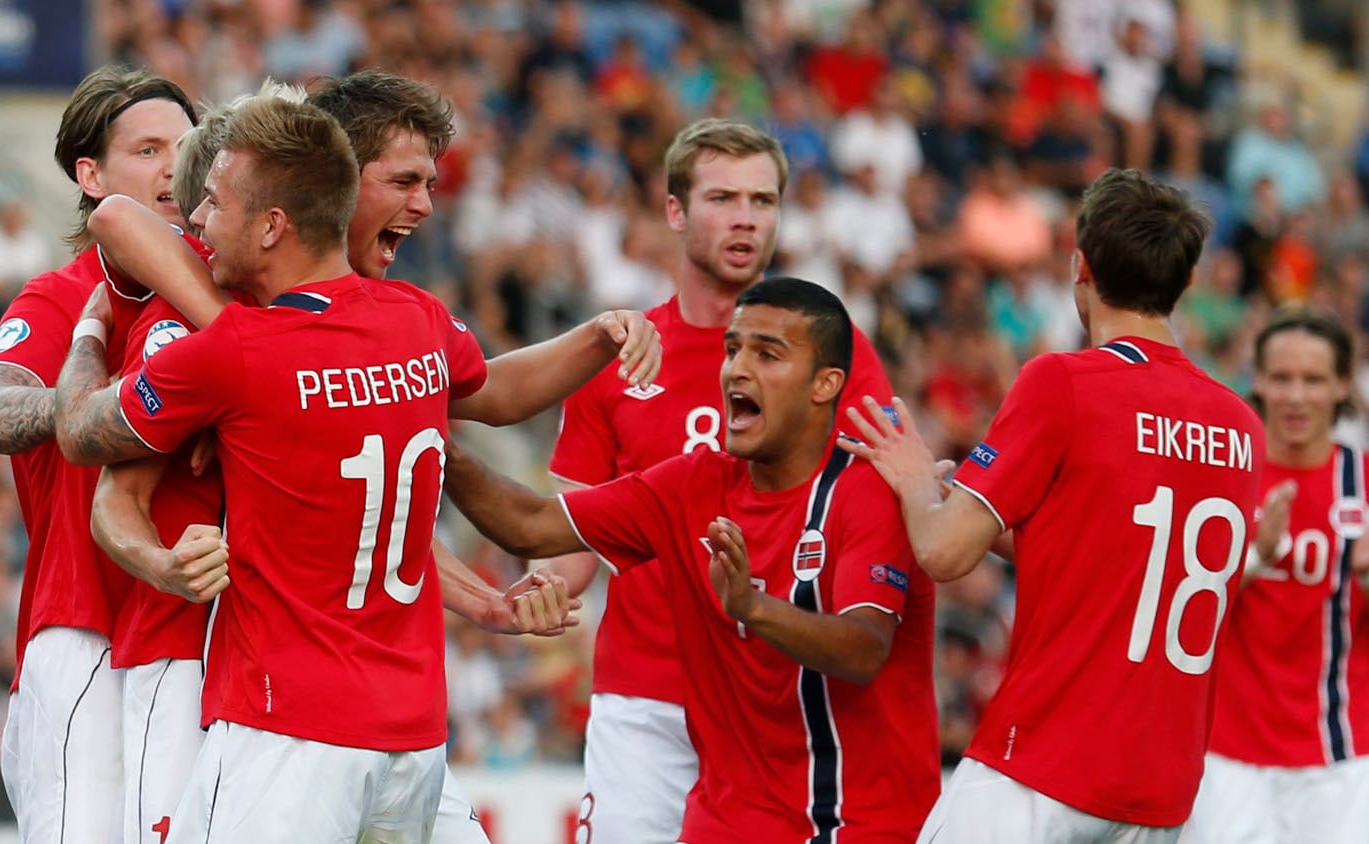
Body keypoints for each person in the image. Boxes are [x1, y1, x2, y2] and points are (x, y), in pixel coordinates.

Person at [76, 71, 658, 842]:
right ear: (338, 180)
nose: (424, 205)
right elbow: (120, 222)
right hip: (251, 686)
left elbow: (375, 498)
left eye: (429, 184)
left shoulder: (299, 332)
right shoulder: (378, 322)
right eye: (405, 181)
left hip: (303, 717)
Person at [840, 168, 1264, 843]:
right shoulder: (1241, 424)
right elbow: (1117, 555)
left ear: (1079, 267)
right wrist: (976, 508)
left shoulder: (1064, 381)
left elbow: (943, 552)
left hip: (1047, 760)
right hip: (1161, 788)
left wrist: (917, 477)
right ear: (1187, 282)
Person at [446, 277, 940, 843]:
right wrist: (438, 446)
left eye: (767, 354)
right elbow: (530, 524)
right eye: (733, 349)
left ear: (825, 384)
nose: (737, 370)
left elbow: (864, 648)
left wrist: (753, 607)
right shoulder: (692, 484)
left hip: (860, 824)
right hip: (729, 822)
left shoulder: (870, 490)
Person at [544, 117, 895, 843]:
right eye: (723, 198)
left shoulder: (835, 350)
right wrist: (525, 594)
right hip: (647, 699)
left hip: (778, 700)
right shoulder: (616, 354)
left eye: (763, 201)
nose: (745, 218)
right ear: (675, 211)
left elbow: (886, 487)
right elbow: (570, 543)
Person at [0, 65, 196, 843]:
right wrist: (96, 407)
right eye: (148, 149)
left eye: (186, 147)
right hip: (83, 625)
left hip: (199, 630)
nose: (173, 167)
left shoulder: (223, 293)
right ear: (91, 176)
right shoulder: (60, 295)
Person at [1185, 309, 1369, 844]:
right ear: (1259, 380)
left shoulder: (1363, 483)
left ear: (1341, 385)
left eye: (1313, 380)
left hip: (1343, 756)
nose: (1296, 397)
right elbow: (1181, 608)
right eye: (1282, 378)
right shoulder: (1221, 479)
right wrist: (1255, 559)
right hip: (1226, 756)